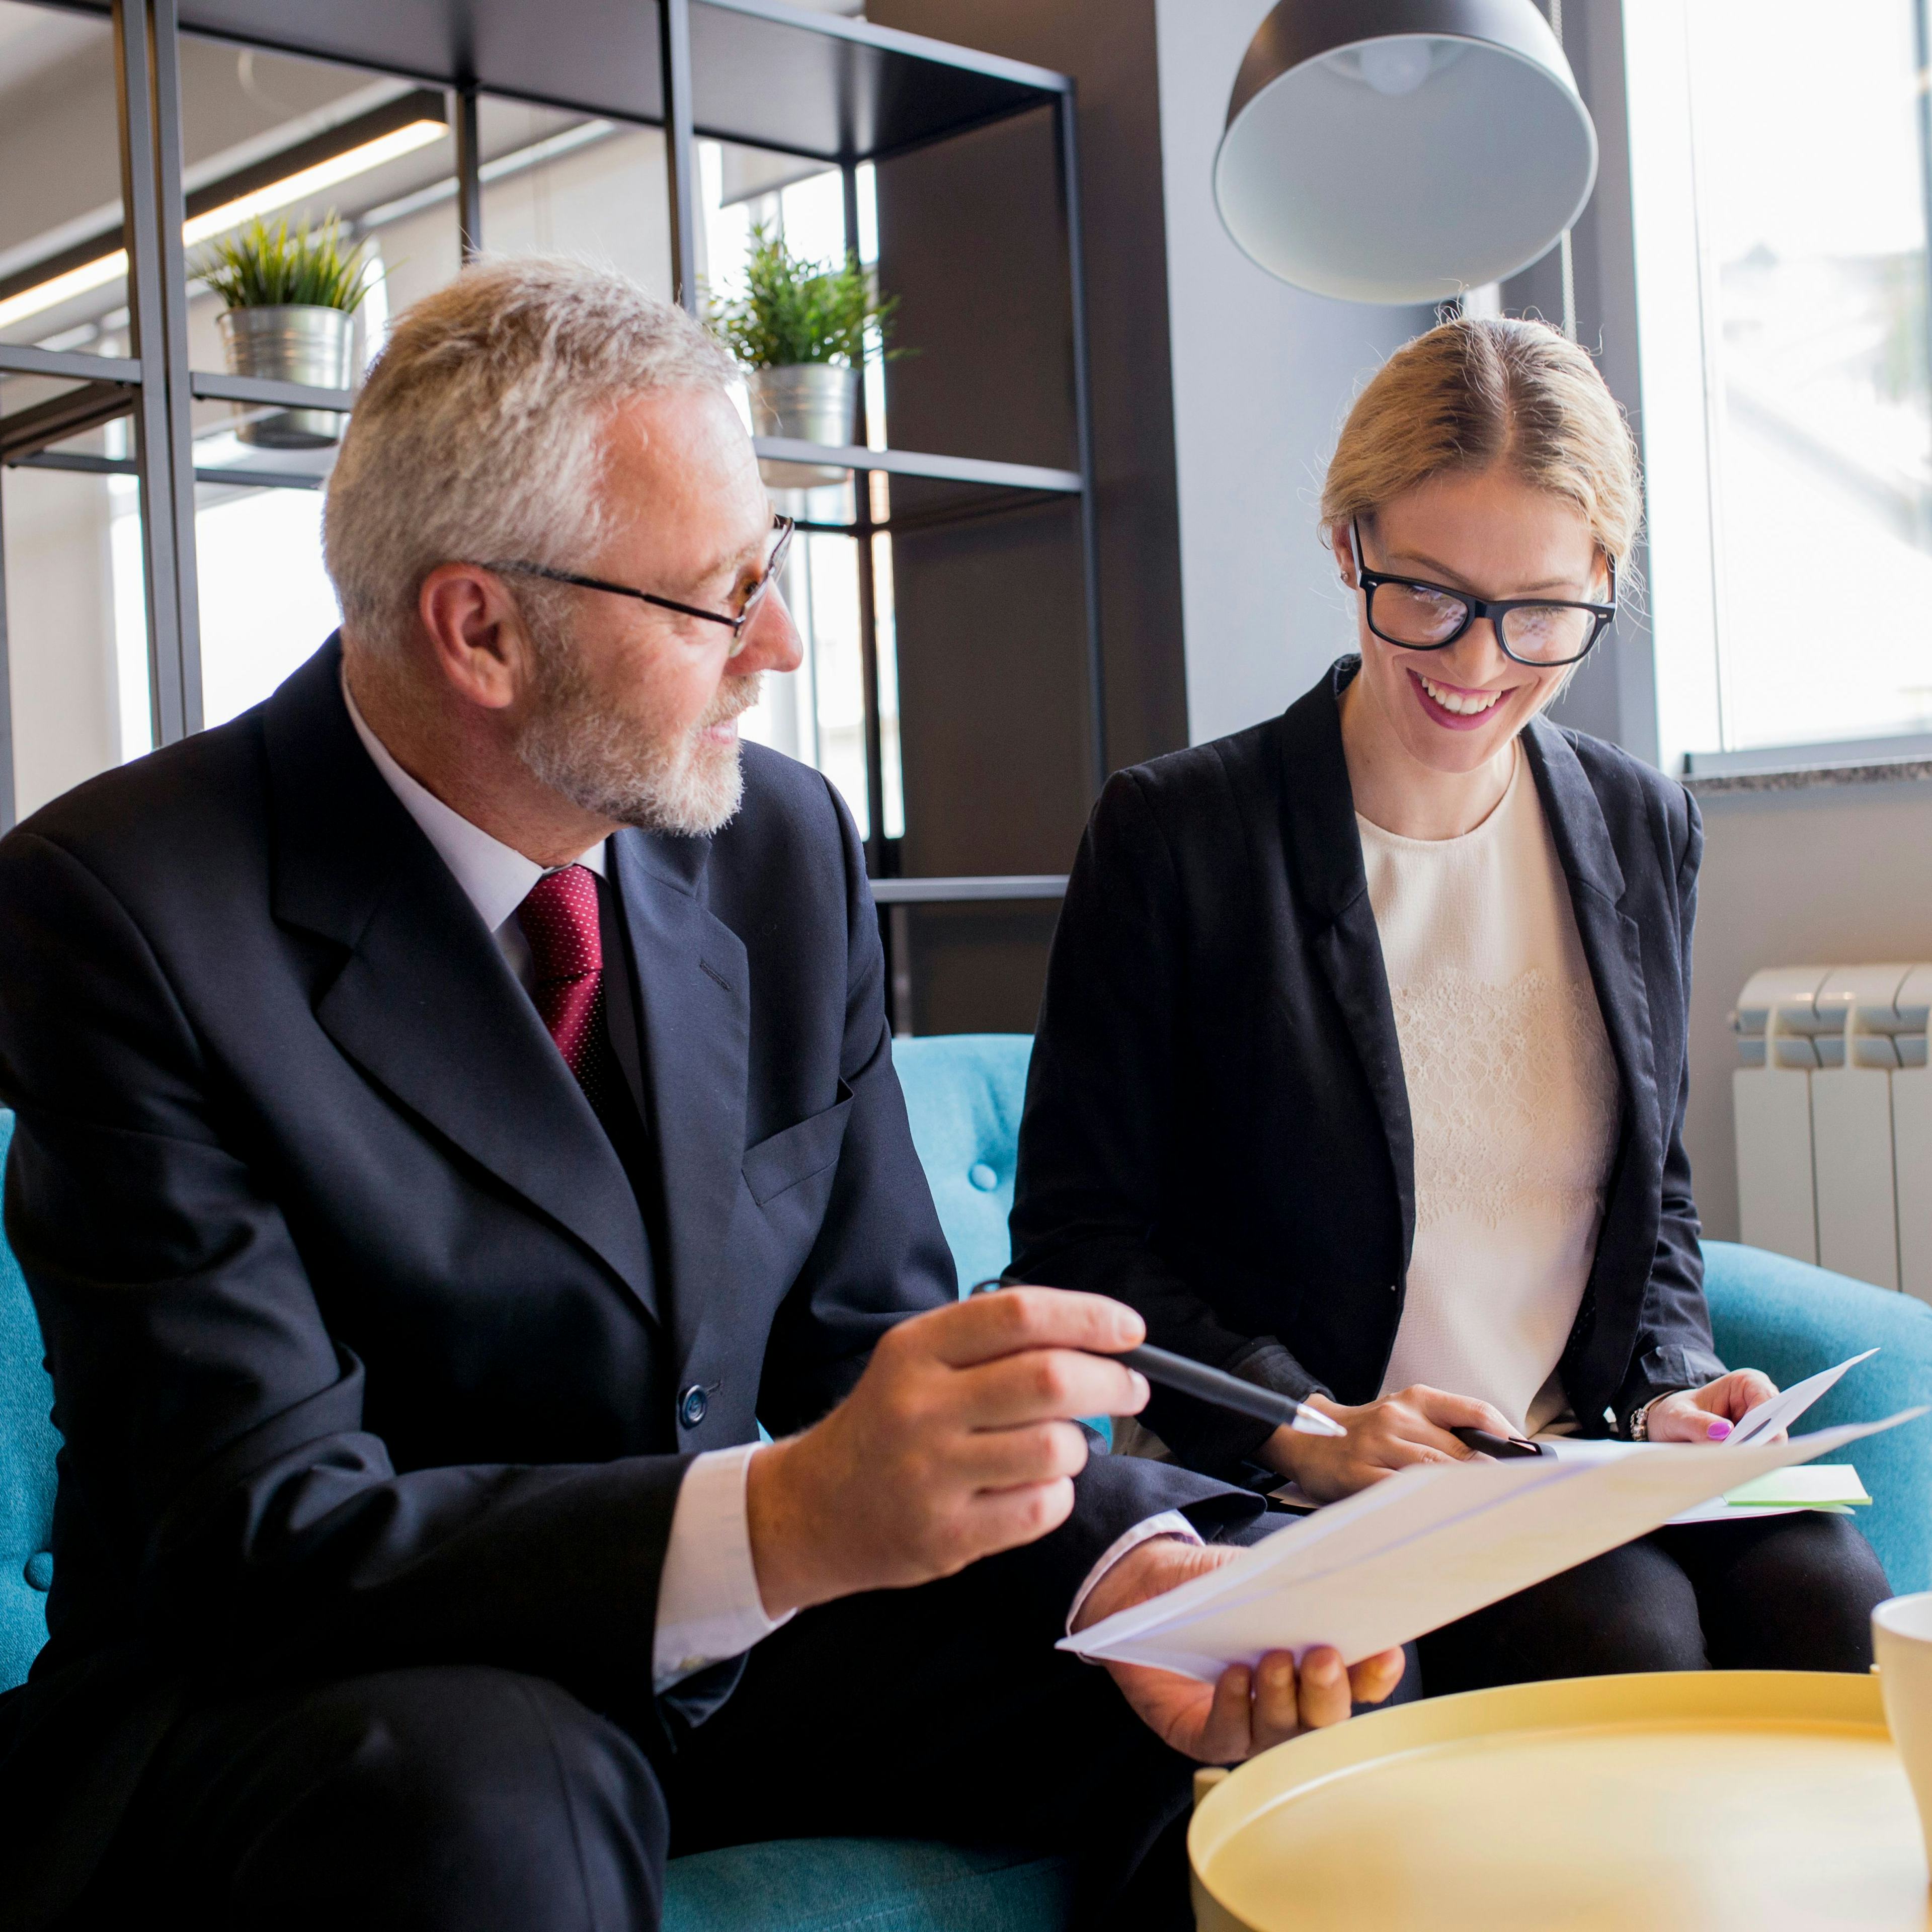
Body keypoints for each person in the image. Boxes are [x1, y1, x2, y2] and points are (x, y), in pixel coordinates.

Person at [0, 261, 1403, 1932]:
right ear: (483, 630)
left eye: (776, 567)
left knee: (1226, 1672)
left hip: (713, 1642)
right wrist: (791, 1518)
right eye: (720, 596)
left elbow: (862, 1335)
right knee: (496, 1795)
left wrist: (1141, 1572)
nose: (783, 645)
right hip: (314, 1688)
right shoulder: (118, 906)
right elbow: (268, 1531)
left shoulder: (774, 844)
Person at [1010, 315, 1891, 1696]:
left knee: (1836, 1605)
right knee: (1626, 1639)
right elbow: (1080, 1244)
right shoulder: (1180, 834)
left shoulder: (1638, 822)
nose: (1479, 663)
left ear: (1606, 577)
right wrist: (1306, 1423)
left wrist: (1671, 1382)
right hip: (1313, 1472)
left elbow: (1650, 1191)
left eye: (1541, 610)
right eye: (1426, 594)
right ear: (1348, 542)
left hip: (1569, 1459)